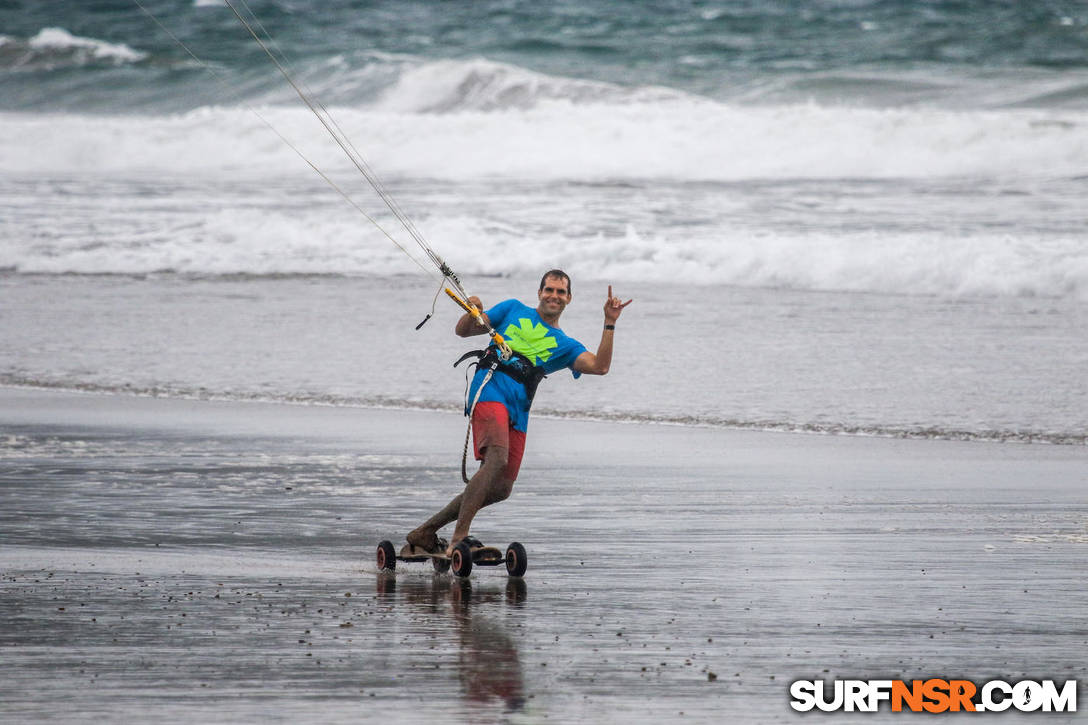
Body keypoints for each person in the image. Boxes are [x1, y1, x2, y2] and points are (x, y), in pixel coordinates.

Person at [406, 269, 632, 556]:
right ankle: (458, 538)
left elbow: (600, 366)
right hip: (489, 389)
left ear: (569, 299)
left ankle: (425, 532)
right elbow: (464, 330)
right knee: (496, 459)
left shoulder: (566, 345)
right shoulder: (512, 309)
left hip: (519, 408)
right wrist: (474, 309)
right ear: (539, 292)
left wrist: (609, 323)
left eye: (560, 292)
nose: (554, 296)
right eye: (549, 289)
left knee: (502, 488)